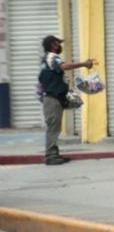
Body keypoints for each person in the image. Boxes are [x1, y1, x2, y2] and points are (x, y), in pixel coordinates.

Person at [38, 35, 93, 166]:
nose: (60, 46)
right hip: (52, 99)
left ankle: (54, 153)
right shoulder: (52, 56)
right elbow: (65, 66)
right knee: (53, 127)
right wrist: (84, 64)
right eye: (58, 43)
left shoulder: (46, 59)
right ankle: (51, 156)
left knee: (55, 127)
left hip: (53, 98)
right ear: (53, 45)